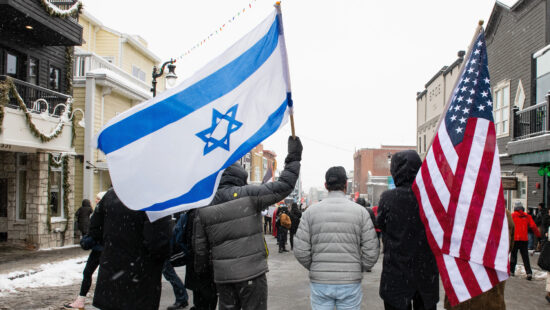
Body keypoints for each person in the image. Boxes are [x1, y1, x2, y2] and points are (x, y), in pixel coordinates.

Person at [194, 136, 302, 310]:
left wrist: (206, 273)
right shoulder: (248, 195)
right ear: (240, 177)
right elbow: (284, 185)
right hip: (252, 274)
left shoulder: (204, 205)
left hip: (223, 277)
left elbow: (200, 249)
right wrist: (294, 156)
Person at [294, 166, 379, 310]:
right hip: (350, 281)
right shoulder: (361, 212)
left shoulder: (310, 212)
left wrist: (316, 266)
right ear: (346, 184)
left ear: (326, 185)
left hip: (320, 281)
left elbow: (300, 250)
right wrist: (358, 267)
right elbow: (372, 250)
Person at [89, 188, 172, 310]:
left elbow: (94, 230)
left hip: (110, 277)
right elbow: (159, 245)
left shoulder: (111, 195)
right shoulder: (154, 200)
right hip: (140, 280)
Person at [377, 150, 439, 310]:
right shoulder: (431, 196)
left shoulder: (388, 198)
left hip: (396, 274)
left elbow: (381, 224)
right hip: (426, 274)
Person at [444, 209, 514, 309]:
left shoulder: (457, 208)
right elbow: (508, 246)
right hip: (490, 294)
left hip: (462, 292)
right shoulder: (502, 214)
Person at [64, 192, 106, 310]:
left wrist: (89, 239)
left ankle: (85, 300)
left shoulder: (102, 213)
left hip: (100, 248)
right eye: (96, 198)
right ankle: (81, 300)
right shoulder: (99, 211)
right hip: (101, 248)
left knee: (91, 273)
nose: (96, 200)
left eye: (99, 198)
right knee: (89, 273)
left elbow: (96, 231)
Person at [163, 213, 189, 310]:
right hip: (167, 245)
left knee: (170, 274)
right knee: (169, 274)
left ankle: (182, 298)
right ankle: (182, 298)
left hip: (165, 247)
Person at [511, 201, 540, 280]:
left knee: (513, 255)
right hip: (524, 239)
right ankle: (529, 273)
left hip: (515, 239)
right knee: (525, 257)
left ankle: (512, 271)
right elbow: (533, 226)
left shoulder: (512, 216)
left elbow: (508, 227)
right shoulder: (527, 216)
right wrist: (539, 236)